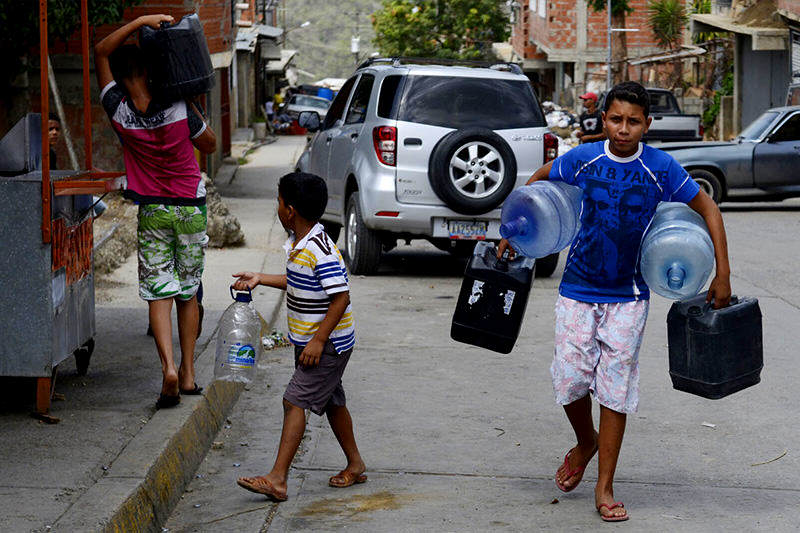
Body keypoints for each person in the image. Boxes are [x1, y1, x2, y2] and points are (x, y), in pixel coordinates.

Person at [499, 81, 731, 522]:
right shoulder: (584, 159)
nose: (623, 129)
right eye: (616, 119)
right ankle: (584, 442)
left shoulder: (661, 168)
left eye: (634, 122)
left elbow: (709, 209)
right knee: (569, 382)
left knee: (615, 392)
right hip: (577, 290)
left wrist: (723, 272)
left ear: (647, 124)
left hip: (628, 296)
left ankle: (604, 489)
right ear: (604, 119)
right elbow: (539, 183)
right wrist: (519, 228)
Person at [94, 14, 217, 409]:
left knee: (158, 292)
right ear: (150, 69)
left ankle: (165, 367)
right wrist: (199, 113)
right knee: (187, 293)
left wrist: (140, 21)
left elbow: (100, 51)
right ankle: (188, 374)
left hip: (153, 213)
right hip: (190, 211)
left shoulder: (118, 111)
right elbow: (211, 146)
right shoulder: (180, 105)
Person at [233, 172, 366, 502]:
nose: (277, 207)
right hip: (313, 342)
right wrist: (260, 278)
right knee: (333, 402)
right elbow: (298, 282)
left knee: (294, 401)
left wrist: (319, 340)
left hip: (327, 345)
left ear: (289, 210)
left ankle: (277, 479)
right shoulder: (301, 244)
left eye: (278, 201)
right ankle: (355, 463)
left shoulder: (320, 251)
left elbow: (341, 298)